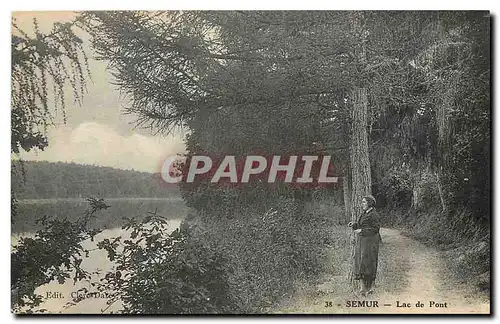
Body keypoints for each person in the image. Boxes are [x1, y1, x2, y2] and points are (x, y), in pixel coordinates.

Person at [348, 195, 381, 296]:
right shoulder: (363, 214)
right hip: (362, 241)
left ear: (369, 203)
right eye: (362, 202)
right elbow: (360, 225)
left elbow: (376, 229)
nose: (362, 204)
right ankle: (362, 288)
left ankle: (371, 287)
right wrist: (354, 225)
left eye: (364, 202)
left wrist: (362, 230)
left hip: (371, 242)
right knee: (360, 262)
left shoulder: (374, 215)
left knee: (370, 262)